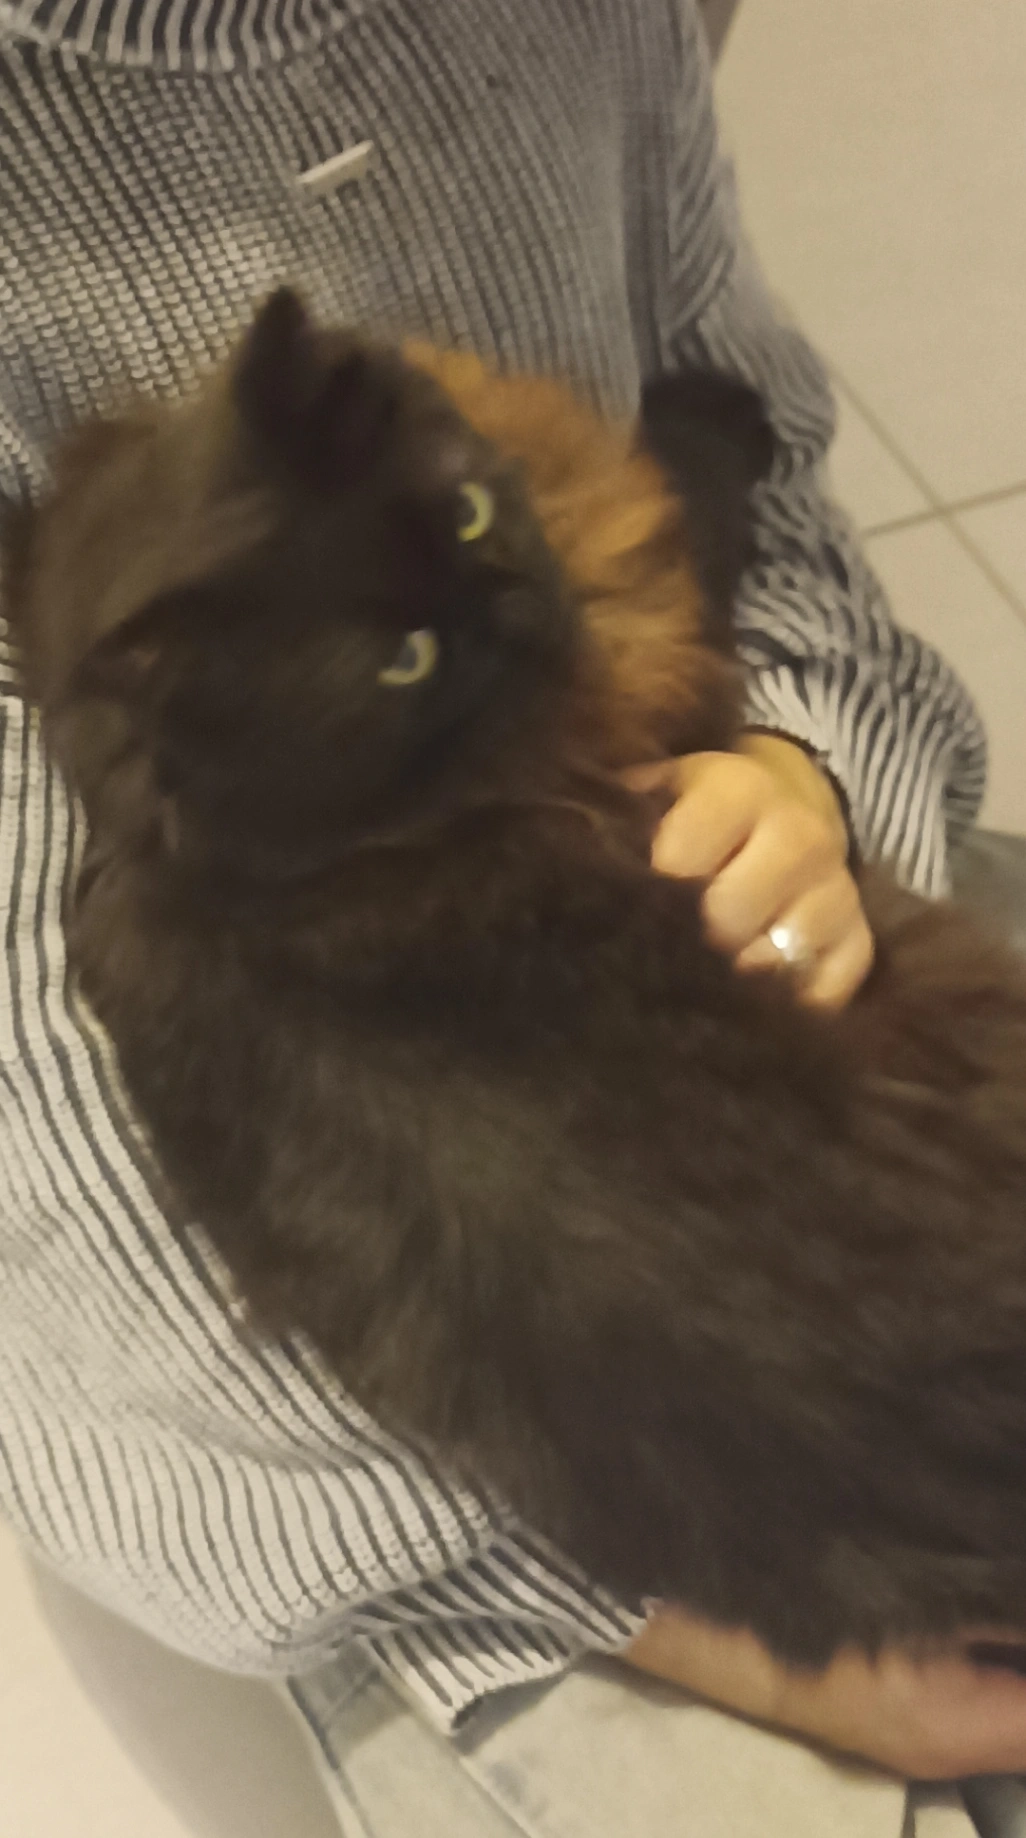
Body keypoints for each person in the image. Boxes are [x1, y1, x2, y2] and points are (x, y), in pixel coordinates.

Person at [0, 0, 1022, 1831]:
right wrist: (709, 1625)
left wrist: (809, 780)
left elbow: (759, 461)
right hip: (353, 1412)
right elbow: (60, 1162)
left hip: (766, 1107)